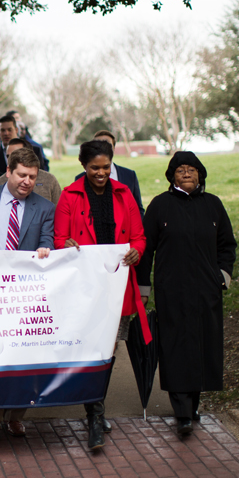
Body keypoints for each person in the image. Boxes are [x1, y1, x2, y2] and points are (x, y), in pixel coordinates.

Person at [53, 140, 147, 450]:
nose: (102, 173)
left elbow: (139, 236)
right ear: (83, 166)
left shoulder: (124, 194)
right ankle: (95, 413)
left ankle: (97, 407)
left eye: (106, 167)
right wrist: (66, 246)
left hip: (117, 286)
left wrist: (137, 251)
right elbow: (59, 239)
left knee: (109, 351)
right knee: (91, 349)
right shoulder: (69, 196)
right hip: (84, 289)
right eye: (95, 168)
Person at [137, 151, 237, 436]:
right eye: (180, 169)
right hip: (173, 291)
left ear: (200, 174)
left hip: (207, 291)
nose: (186, 174)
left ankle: (193, 406)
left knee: (202, 347)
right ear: (171, 175)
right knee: (176, 348)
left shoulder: (213, 205)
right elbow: (145, 252)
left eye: (192, 169)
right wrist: (144, 289)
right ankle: (181, 413)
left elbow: (227, 245)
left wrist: (223, 276)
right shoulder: (160, 206)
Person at [0, 147, 54, 442]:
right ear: (8, 172)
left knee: (24, 357)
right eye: (21, 175)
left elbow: (47, 241)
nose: (27, 181)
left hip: (25, 293)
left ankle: (16, 416)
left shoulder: (44, 208)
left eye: (32, 176)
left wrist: (46, 250)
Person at [74, 130, 144, 217]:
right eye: (98, 145)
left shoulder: (129, 175)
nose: (102, 149)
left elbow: (138, 209)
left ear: (113, 149)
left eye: (107, 145)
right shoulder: (79, 179)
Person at [0, 139, 62, 204]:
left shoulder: (49, 180)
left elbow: (59, 209)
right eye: (8, 156)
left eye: (17, 154)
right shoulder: (0, 182)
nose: (11, 159)